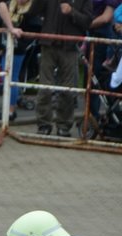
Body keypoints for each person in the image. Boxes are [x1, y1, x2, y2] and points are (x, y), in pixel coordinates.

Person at [25, 0, 93, 137]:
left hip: (69, 46)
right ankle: (44, 124)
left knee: (67, 90)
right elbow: (33, 12)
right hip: (48, 43)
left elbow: (88, 21)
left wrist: (72, 12)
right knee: (45, 87)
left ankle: (64, 126)